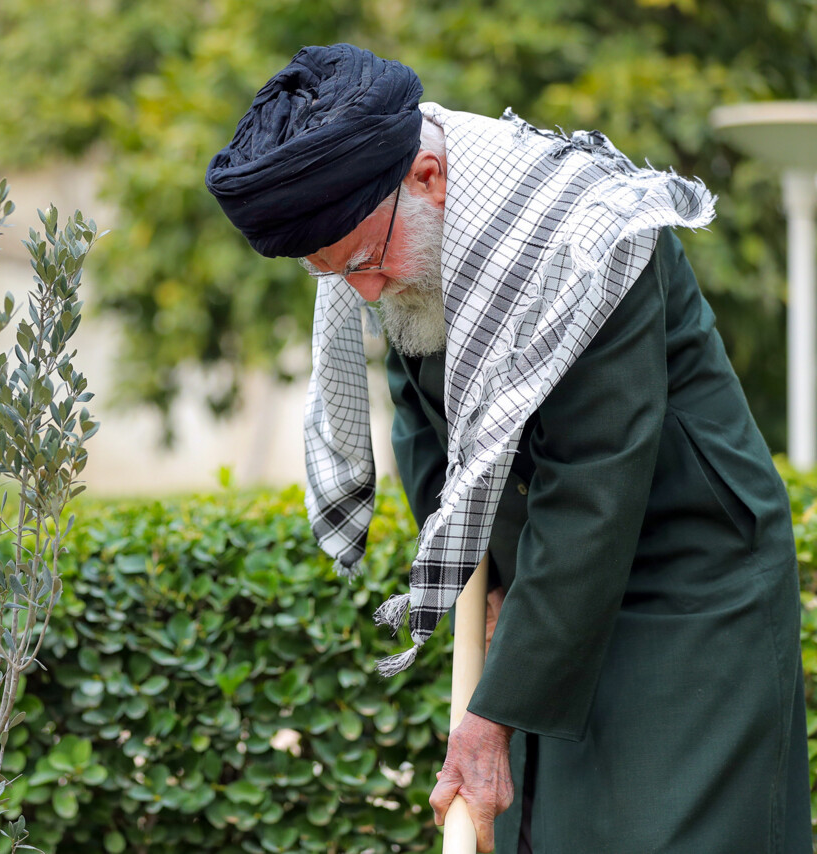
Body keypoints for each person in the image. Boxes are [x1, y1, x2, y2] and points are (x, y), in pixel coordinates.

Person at [205, 44, 810, 853]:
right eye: (338, 274)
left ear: (427, 175)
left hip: (689, 583)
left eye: (365, 262)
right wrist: (474, 583)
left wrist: (489, 717)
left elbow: (593, 488)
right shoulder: (394, 243)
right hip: (550, 596)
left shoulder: (590, 237)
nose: (368, 292)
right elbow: (426, 426)